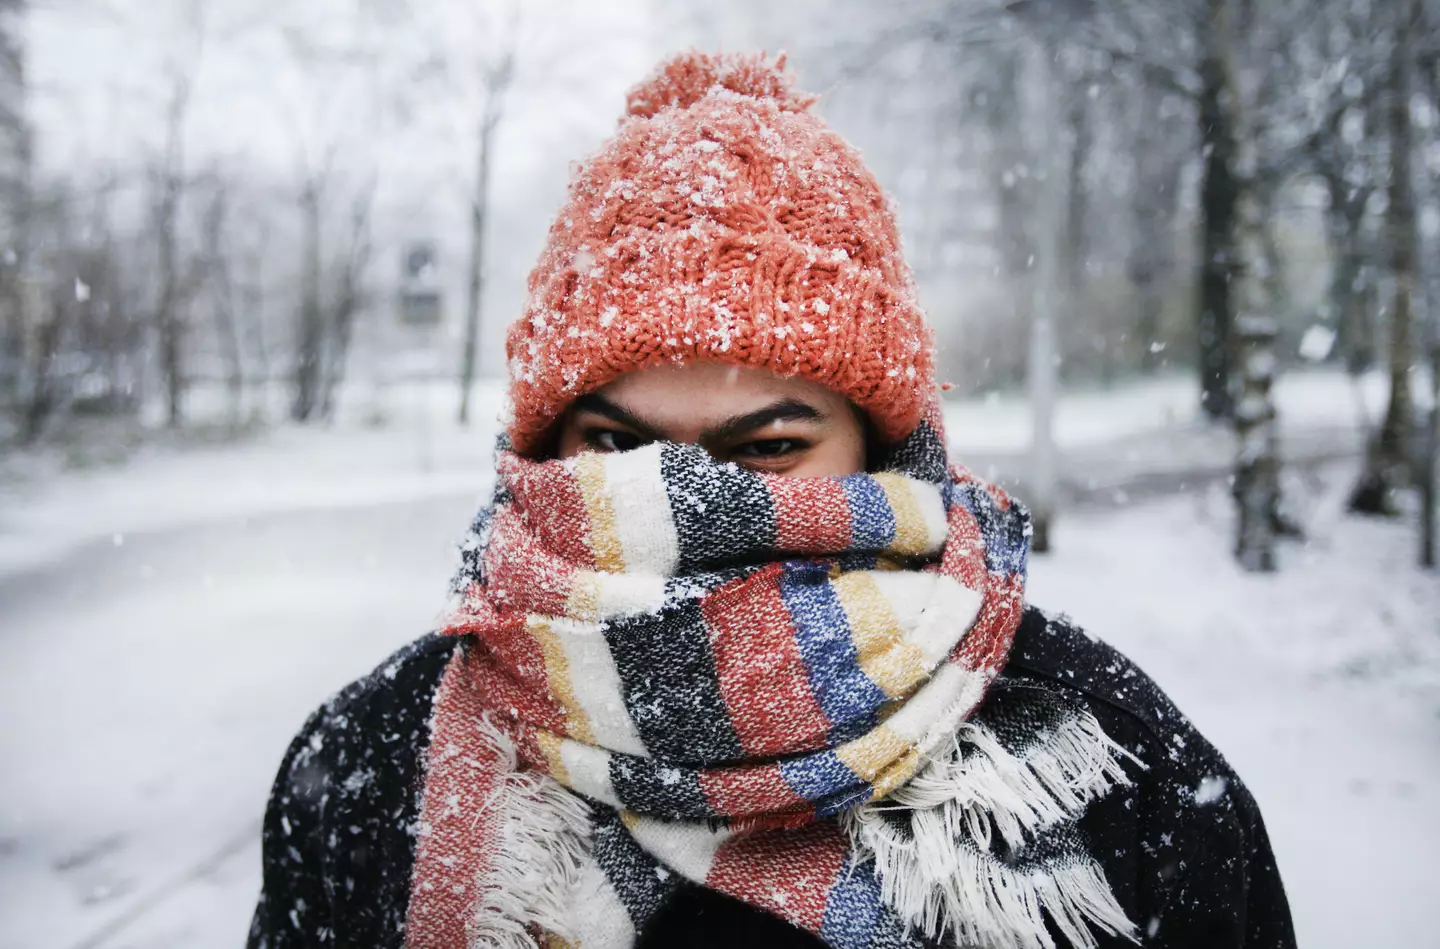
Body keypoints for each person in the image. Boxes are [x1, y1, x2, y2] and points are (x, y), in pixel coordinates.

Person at [247, 51, 1295, 949]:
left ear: (886, 452)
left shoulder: (1103, 767)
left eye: (769, 448)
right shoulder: (379, 768)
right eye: (616, 442)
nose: (681, 497)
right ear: (546, 448)